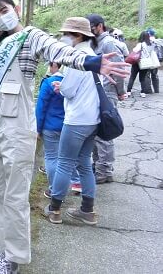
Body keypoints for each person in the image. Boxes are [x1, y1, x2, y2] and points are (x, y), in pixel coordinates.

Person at [0, 0, 128, 274]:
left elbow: (58, 51)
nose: (1, 17)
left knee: (15, 195)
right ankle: (2, 251)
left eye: (4, 11)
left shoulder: (30, 38)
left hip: (17, 127)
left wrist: (92, 63)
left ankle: (13, 259)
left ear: (16, 10)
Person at [43, 17, 100, 225]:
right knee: (84, 163)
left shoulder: (78, 58)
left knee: (64, 163)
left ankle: (55, 209)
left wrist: (60, 87)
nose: (64, 38)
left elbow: (68, 89)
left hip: (76, 120)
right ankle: (87, 210)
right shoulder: (94, 56)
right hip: (93, 119)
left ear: (78, 36)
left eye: (67, 34)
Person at [86, 14, 126, 184]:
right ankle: (99, 166)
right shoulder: (92, 43)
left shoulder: (108, 43)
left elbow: (119, 69)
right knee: (96, 131)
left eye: (91, 27)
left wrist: (120, 91)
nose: (89, 30)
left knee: (105, 131)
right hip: (96, 91)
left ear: (100, 26)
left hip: (108, 91)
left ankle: (105, 170)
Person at [36, 62, 81, 198]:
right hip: (70, 125)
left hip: (50, 127)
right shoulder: (75, 82)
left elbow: (41, 107)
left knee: (51, 157)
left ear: (55, 65)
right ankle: (77, 183)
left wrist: (37, 128)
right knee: (68, 157)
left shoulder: (49, 82)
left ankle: (54, 190)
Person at [128, 31, 155, 98]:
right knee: (142, 78)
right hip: (146, 63)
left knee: (132, 77)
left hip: (137, 63)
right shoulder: (150, 44)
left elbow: (135, 51)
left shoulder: (140, 44)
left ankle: (128, 91)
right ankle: (143, 92)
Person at [146, 28, 160, 93]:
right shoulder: (157, 41)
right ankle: (156, 90)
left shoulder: (147, 41)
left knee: (147, 75)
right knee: (155, 75)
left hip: (148, 60)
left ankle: (148, 90)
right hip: (156, 60)